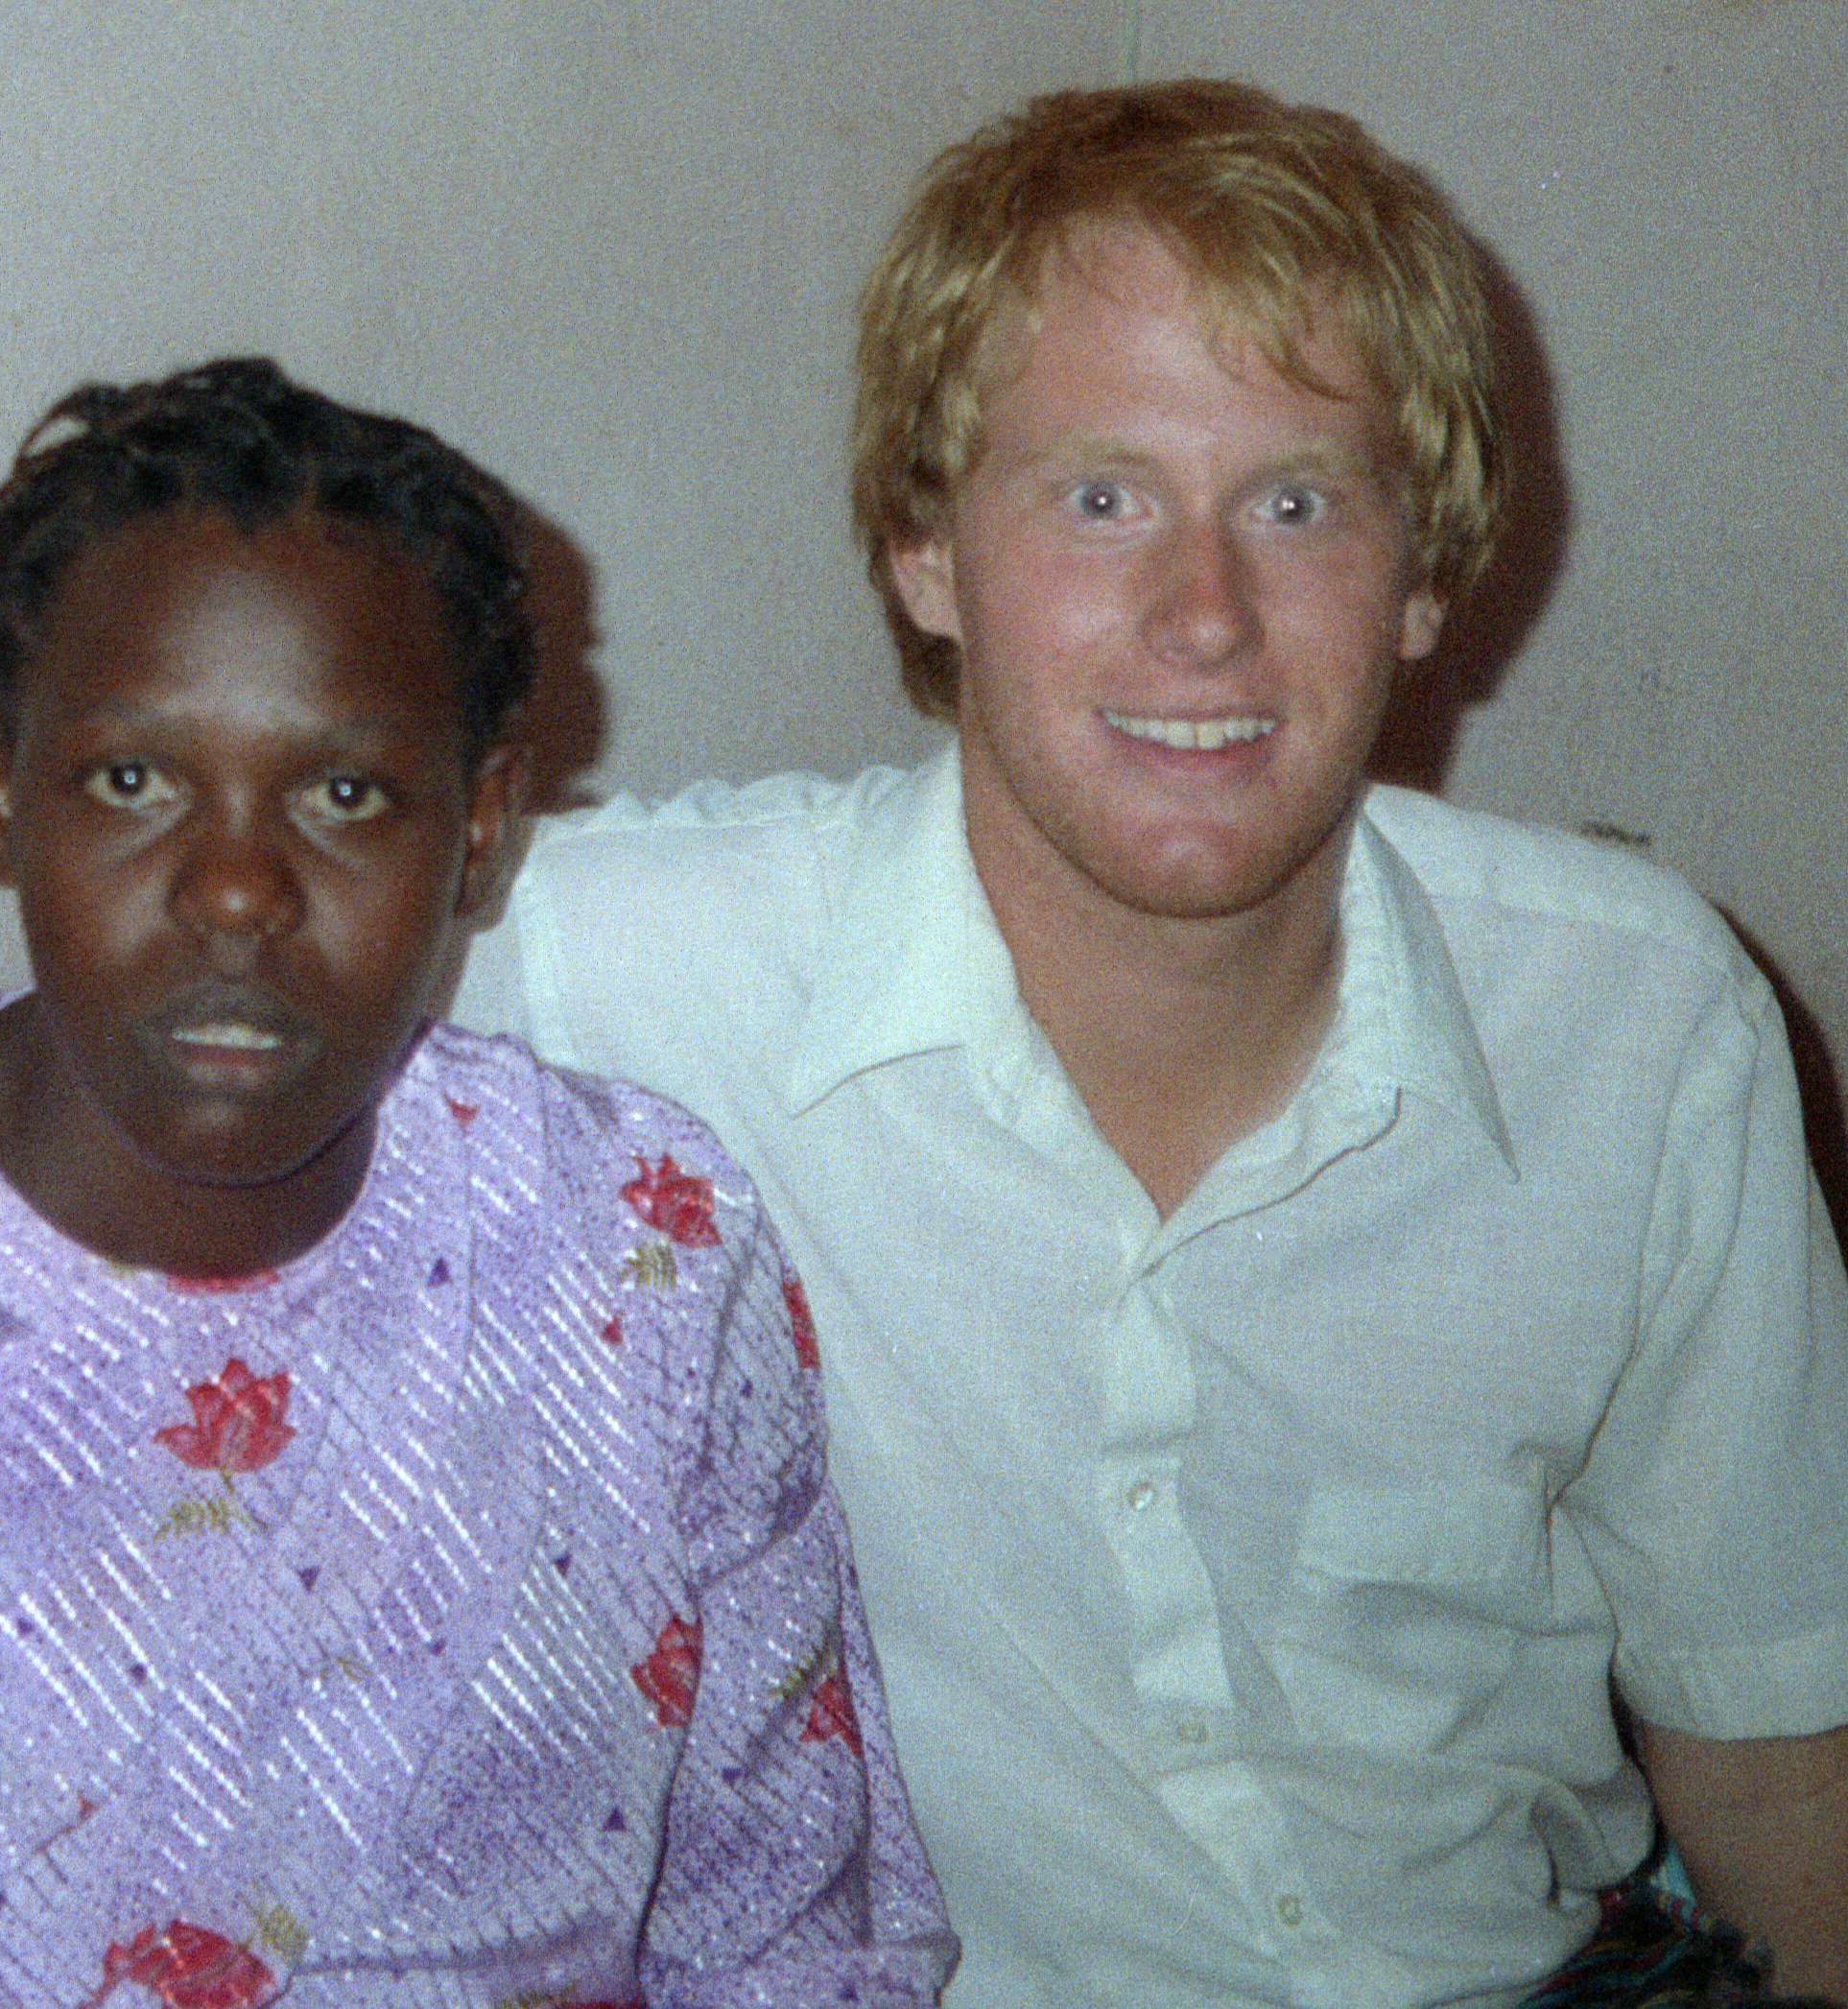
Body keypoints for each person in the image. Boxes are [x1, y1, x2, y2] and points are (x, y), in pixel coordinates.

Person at [454, 80, 1848, 2008]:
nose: (1205, 616)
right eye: (1100, 498)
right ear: (925, 556)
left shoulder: (1641, 1023)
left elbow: (1773, 1731)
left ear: (1428, 575)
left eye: (1297, 504)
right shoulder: (619, 971)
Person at [0, 359, 957, 2009]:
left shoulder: (640, 1251)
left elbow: (790, 1920)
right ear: (0, 793)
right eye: (134, 780)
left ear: (484, 824)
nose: (235, 892)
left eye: (346, 793)